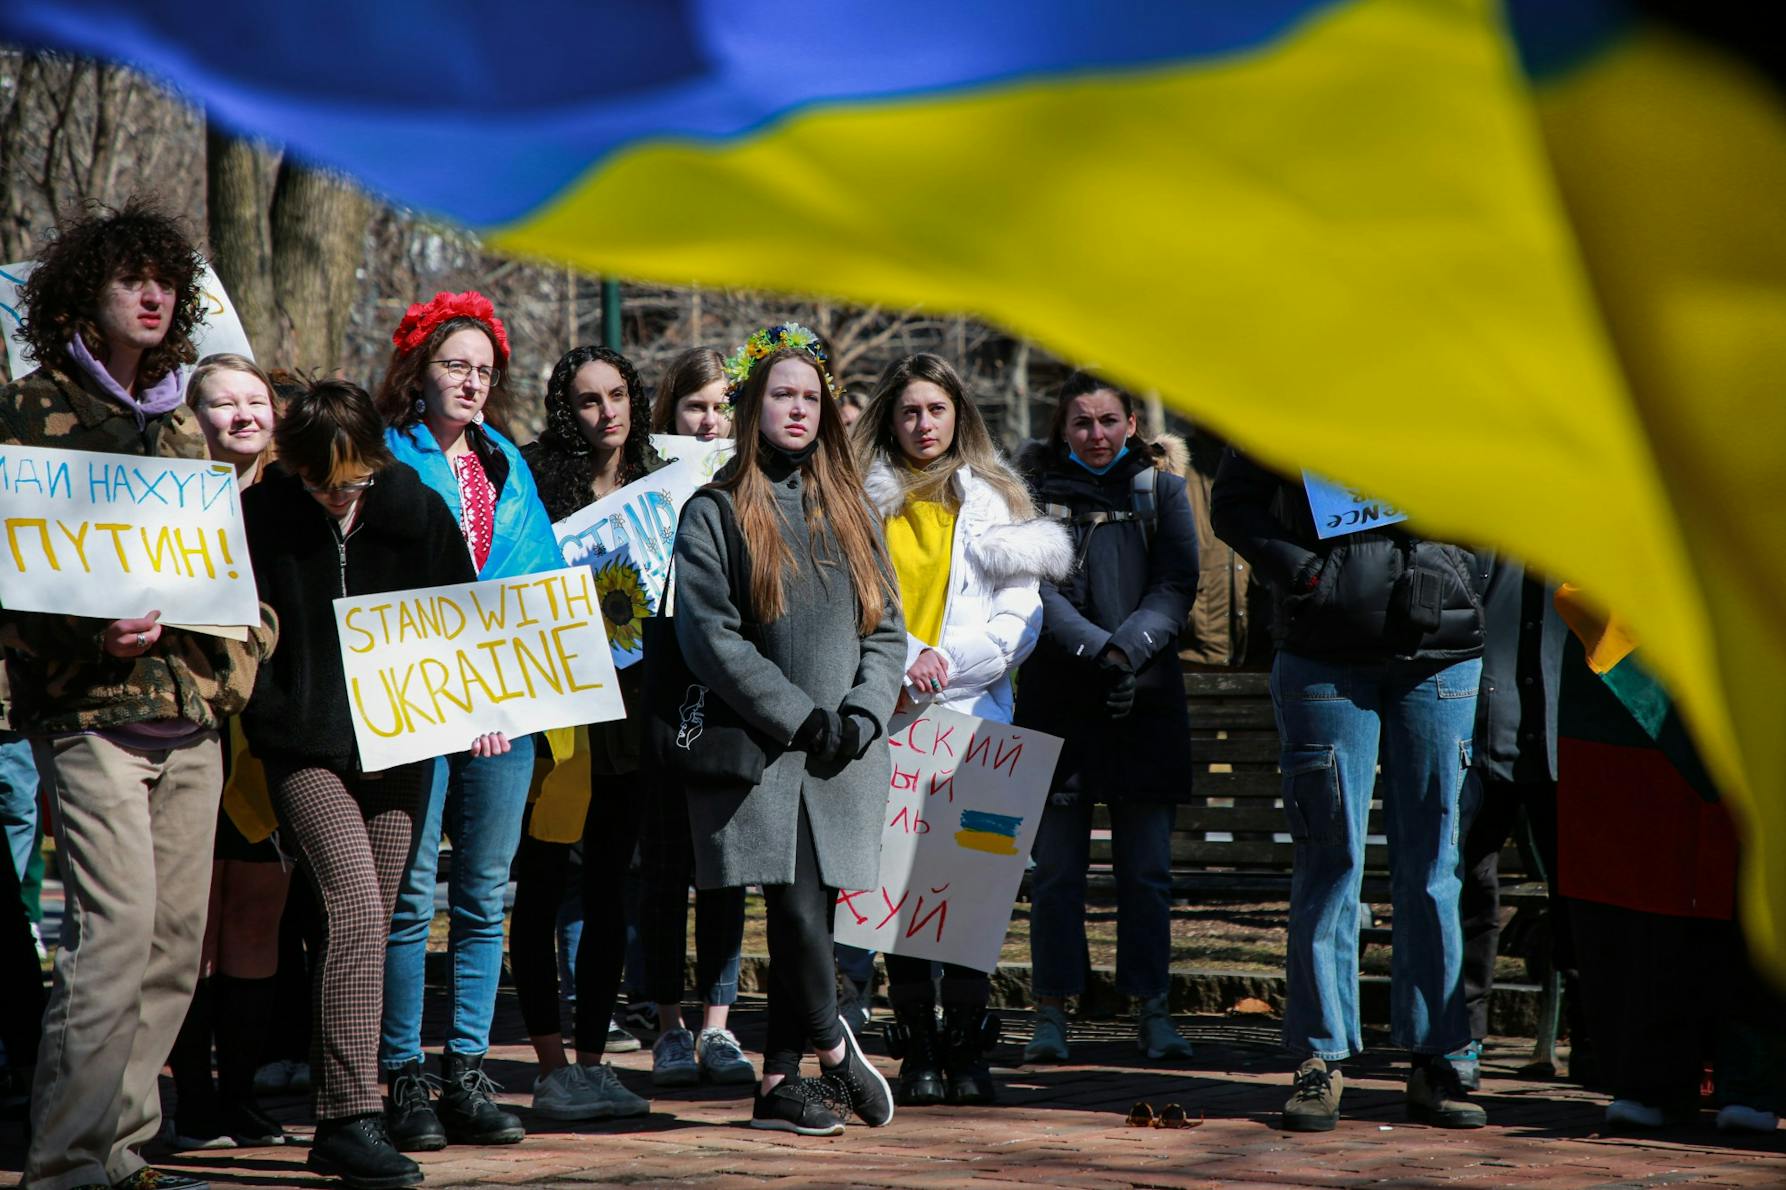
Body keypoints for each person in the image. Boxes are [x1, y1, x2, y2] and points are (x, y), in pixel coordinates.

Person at [0, 201, 277, 1190]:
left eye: (165, 278)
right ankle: (65, 1161)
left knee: (169, 949)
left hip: (189, 717)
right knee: (109, 941)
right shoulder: (34, 411)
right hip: (89, 716)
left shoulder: (186, 425)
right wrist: (92, 631)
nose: (153, 294)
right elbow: (17, 578)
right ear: (88, 292)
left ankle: (121, 1148)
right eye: (131, 279)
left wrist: (230, 657)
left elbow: (229, 577)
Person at [1211, 448, 1489, 1132]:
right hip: (1325, 652)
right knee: (1330, 859)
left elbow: (1508, 484)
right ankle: (1320, 1057)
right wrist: (1305, 574)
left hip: (1442, 649)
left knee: (1435, 865)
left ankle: (1438, 1059)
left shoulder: (1465, 372)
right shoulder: (1284, 386)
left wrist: (1463, 565)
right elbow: (1233, 504)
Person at [241, 379, 477, 1186]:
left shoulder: (418, 514)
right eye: (324, 483)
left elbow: (469, 626)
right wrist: (268, 709)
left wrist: (484, 706)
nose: (342, 497)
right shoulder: (262, 519)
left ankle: (343, 1111)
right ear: (295, 468)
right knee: (356, 902)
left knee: (366, 924)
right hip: (302, 745)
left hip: (401, 749)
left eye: (357, 480)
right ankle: (349, 1115)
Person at [670, 323, 904, 1135]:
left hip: (844, 750)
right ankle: (835, 1052)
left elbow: (887, 630)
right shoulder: (715, 511)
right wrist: (800, 717)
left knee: (819, 910)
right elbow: (711, 638)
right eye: (782, 395)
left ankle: (778, 1085)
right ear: (751, 406)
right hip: (766, 754)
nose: (798, 410)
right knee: (797, 909)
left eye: (811, 397)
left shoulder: (853, 511)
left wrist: (865, 713)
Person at [853, 352, 1071, 1105]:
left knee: (972, 885)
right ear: (892, 417)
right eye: (910, 411)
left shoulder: (1000, 496)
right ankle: (916, 1049)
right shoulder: (861, 498)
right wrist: (909, 661)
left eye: (935, 411)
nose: (923, 424)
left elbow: (1022, 614)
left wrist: (950, 661)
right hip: (893, 715)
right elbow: (860, 603)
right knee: (906, 889)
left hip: (980, 720)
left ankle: (969, 1047)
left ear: (958, 416)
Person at [374, 290, 561, 1150]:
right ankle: (403, 1073)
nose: (473, 383)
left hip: (505, 714)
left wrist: (502, 697)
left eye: (486, 371)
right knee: (410, 896)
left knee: (485, 896)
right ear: (419, 370)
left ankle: (468, 1073)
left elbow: (537, 583)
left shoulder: (506, 465)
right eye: (457, 365)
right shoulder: (382, 458)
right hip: (414, 709)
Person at [511, 345, 690, 1118]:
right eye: (587, 401)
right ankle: (550, 1065)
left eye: (617, 395)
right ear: (565, 410)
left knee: (617, 883)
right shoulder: (530, 482)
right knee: (546, 887)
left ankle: (592, 1062)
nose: (606, 413)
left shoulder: (666, 482)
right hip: (557, 717)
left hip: (637, 709)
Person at [1012, 373, 1199, 1067]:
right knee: (1056, 872)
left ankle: (1152, 1009)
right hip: (1059, 702)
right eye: (1082, 423)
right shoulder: (1033, 497)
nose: (1096, 435)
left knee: (1144, 873)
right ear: (1062, 428)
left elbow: (1178, 583)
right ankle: (1052, 1010)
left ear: (1130, 424)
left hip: (1144, 703)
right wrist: (1096, 648)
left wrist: (1130, 650)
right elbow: (1034, 588)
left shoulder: (1162, 491)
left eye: (1108, 421)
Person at [1550, 593, 1785, 1133]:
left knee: (1754, 883)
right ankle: (1649, 1078)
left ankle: (1753, 1079)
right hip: (1638, 648)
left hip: (1756, 643)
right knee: (1640, 883)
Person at [166, 353, 293, 1151]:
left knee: (255, 917)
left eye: (256, 401)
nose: (243, 416)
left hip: (274, 740)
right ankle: (191, 1100)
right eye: (222, 404)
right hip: (189, 731)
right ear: (191, 418)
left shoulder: (296, 502)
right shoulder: (163, 503)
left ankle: (241, 1096)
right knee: (192, 927)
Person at [650, 346, 733, 440]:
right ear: (672, 409)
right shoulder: (643, 451)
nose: (710, 421)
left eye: (721, 408)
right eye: (696, 406)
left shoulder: (748, 453)